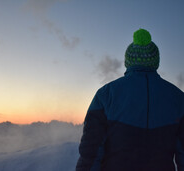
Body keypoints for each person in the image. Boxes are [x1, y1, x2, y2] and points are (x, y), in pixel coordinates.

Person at [76, 29, 184, 171]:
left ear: (128, 61)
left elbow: (91, 152)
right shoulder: (178, 98)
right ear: (156, 62)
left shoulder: (106, 94)